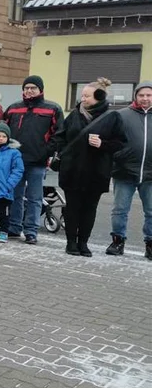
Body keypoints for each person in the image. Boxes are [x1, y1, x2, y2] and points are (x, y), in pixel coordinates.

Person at [50, 78, 125, 257]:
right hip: (72, 170)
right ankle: (71, 243)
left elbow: (121, 143)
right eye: (81, 95)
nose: (82, 99)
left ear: (99, 96)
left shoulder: (113, 117)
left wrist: (102, 144)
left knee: (89, 208)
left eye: (87, 96)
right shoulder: (75, 115)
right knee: (72, 207)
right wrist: (64, 153)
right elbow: (60, 137)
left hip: (97, 172)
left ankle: (83, 243)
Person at [3, 75, 64, 245]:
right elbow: (2, 129)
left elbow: (58, 135)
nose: (29, 91)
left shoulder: (52, 109)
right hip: (15, 161)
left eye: (33, 88)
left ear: (40, 90)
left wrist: (46, 152)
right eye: (27, 88)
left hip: (37, 162)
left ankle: (31, 231)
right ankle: (14, 227)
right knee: (15, 196)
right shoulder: (13, 108)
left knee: (35, 198)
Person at [105, 80, 152, 259]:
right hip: (124, 171)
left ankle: (150, 245)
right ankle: (118, 242)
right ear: (135, 96)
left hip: (150, 174)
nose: (145, 98)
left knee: (151, 212)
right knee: (120, 209)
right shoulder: (121, 115)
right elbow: (110, 140)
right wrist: (118, 157)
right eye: (141, 95)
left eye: (148, 95)